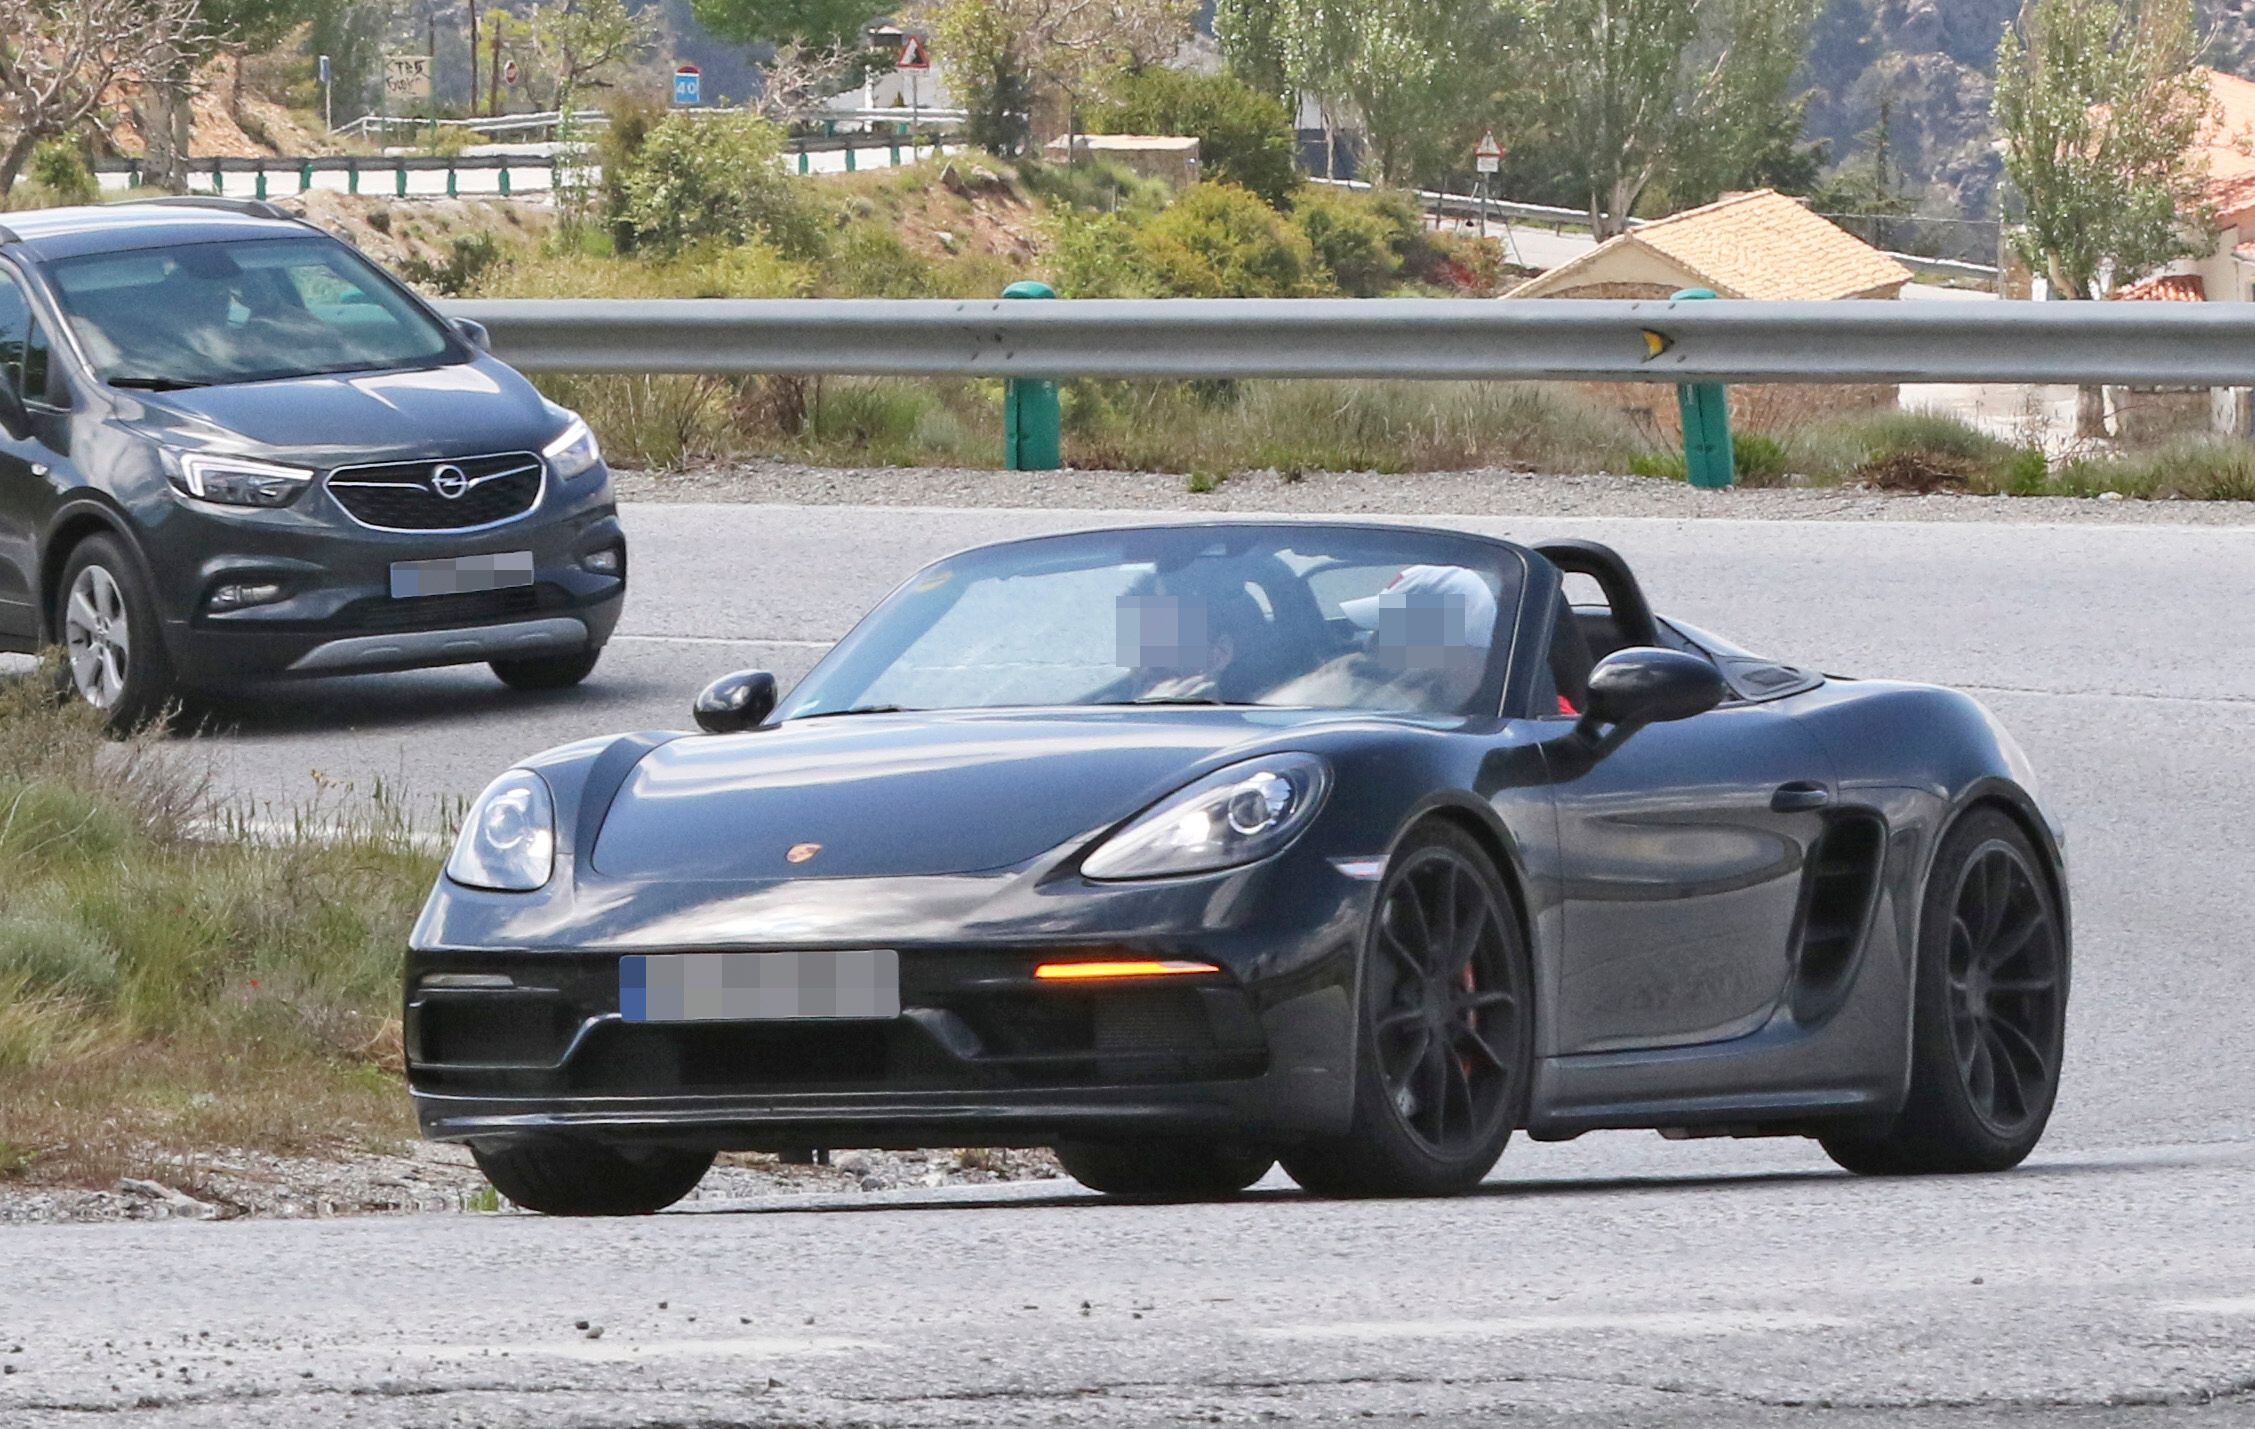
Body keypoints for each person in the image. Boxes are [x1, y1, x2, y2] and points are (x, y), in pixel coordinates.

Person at [1268, 564, 1498, 713]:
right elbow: (1277, 714)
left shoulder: (1508, 708)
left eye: (1393, 629)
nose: (1372, 643)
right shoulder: (1351, 680)